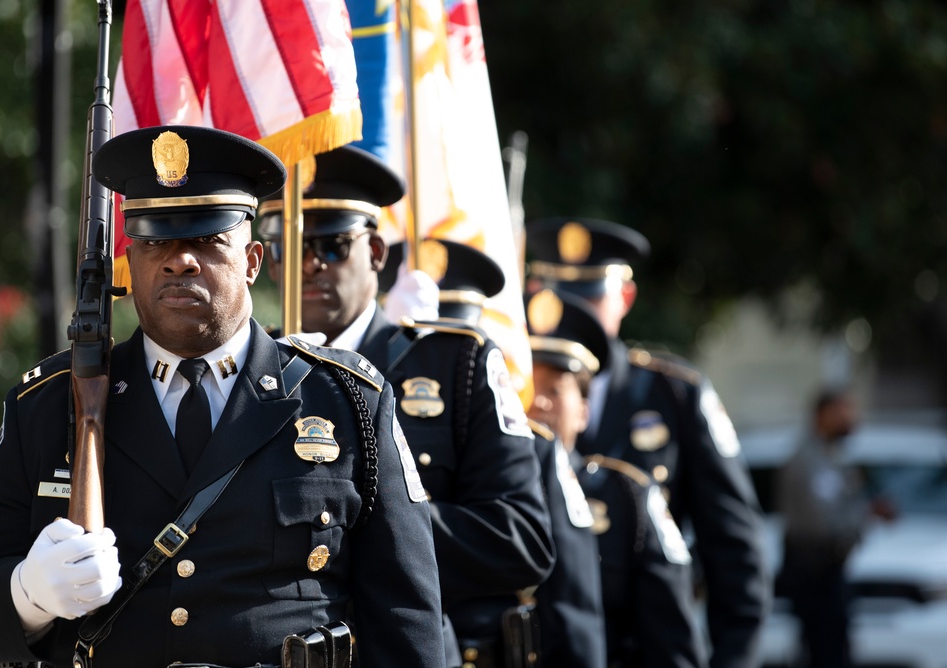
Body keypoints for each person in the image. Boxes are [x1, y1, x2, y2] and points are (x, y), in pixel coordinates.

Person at [0, 126, 446, 668]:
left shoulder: (347, 401)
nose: (179, 260)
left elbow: (407, 623)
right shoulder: (47, 405)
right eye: (156, 240)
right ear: (129, 263)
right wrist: (28, 595)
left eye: (208, 239)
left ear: (253, 261)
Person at [257, 146, 554, 668]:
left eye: (330, 245)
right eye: (287, 246)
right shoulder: (248, 376)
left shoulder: (454, 362)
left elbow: (521, 539)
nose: (308, 264)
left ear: (375, 251)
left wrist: (368, 527)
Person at [525, 217, 770, 668]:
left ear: (624, 297)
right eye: (558, 296)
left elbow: (736, 552)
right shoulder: (513, 394)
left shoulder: (676, 395)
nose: (573, 314)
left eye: (591, 296)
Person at [525, 287, 706, 668]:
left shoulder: (628, 498)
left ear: (584, 412)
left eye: (555, 390)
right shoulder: (483, 494)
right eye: (527, 386)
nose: (537, 402)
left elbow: (672, 642)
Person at [775, 388, 869, 668]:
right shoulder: (808, 460)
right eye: (841, 411)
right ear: (822, 415)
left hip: (828, 570)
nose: (849, 418)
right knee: (823, 651)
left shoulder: (833, 456)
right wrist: (859, 521)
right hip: (814, 570)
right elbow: (822, 522)